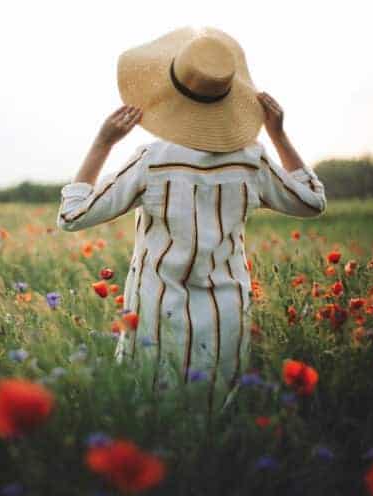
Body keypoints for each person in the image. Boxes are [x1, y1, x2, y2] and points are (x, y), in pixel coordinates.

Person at [57, 27, 326, 411]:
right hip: (226, 316)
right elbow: (312, 201)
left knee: (153, 418)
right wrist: (278, 135)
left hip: (156, 312)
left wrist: (102, 143)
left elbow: (72, 214)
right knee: (214, 422)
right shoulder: (252, 159)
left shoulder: (152, 160)